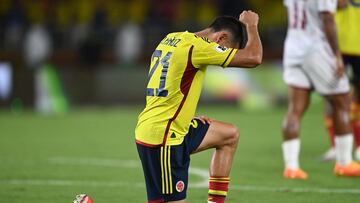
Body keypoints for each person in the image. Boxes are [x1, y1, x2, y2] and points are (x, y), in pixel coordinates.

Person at [135, 11, 262, 203]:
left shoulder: (172, 38)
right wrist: (251, 25)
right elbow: (254, 58)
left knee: (229, 135)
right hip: (164, 138)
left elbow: (170, 84)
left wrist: (185, 116)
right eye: (227, 49)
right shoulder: (199, 47)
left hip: (166, 126)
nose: (224, 55)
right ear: (221, 37)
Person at [282, 0, 360, 179]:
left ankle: (291, 167)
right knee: (342, 102)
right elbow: (327, 19)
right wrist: (337, 55)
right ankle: (344, 163)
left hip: (292, 48)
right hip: (316, 49)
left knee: (295, 109)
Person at [321, 0, 360, 162]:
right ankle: (336, 147)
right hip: (337, 46)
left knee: (354, 96)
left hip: (353, 46)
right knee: (331, 95)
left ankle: (355, 146)